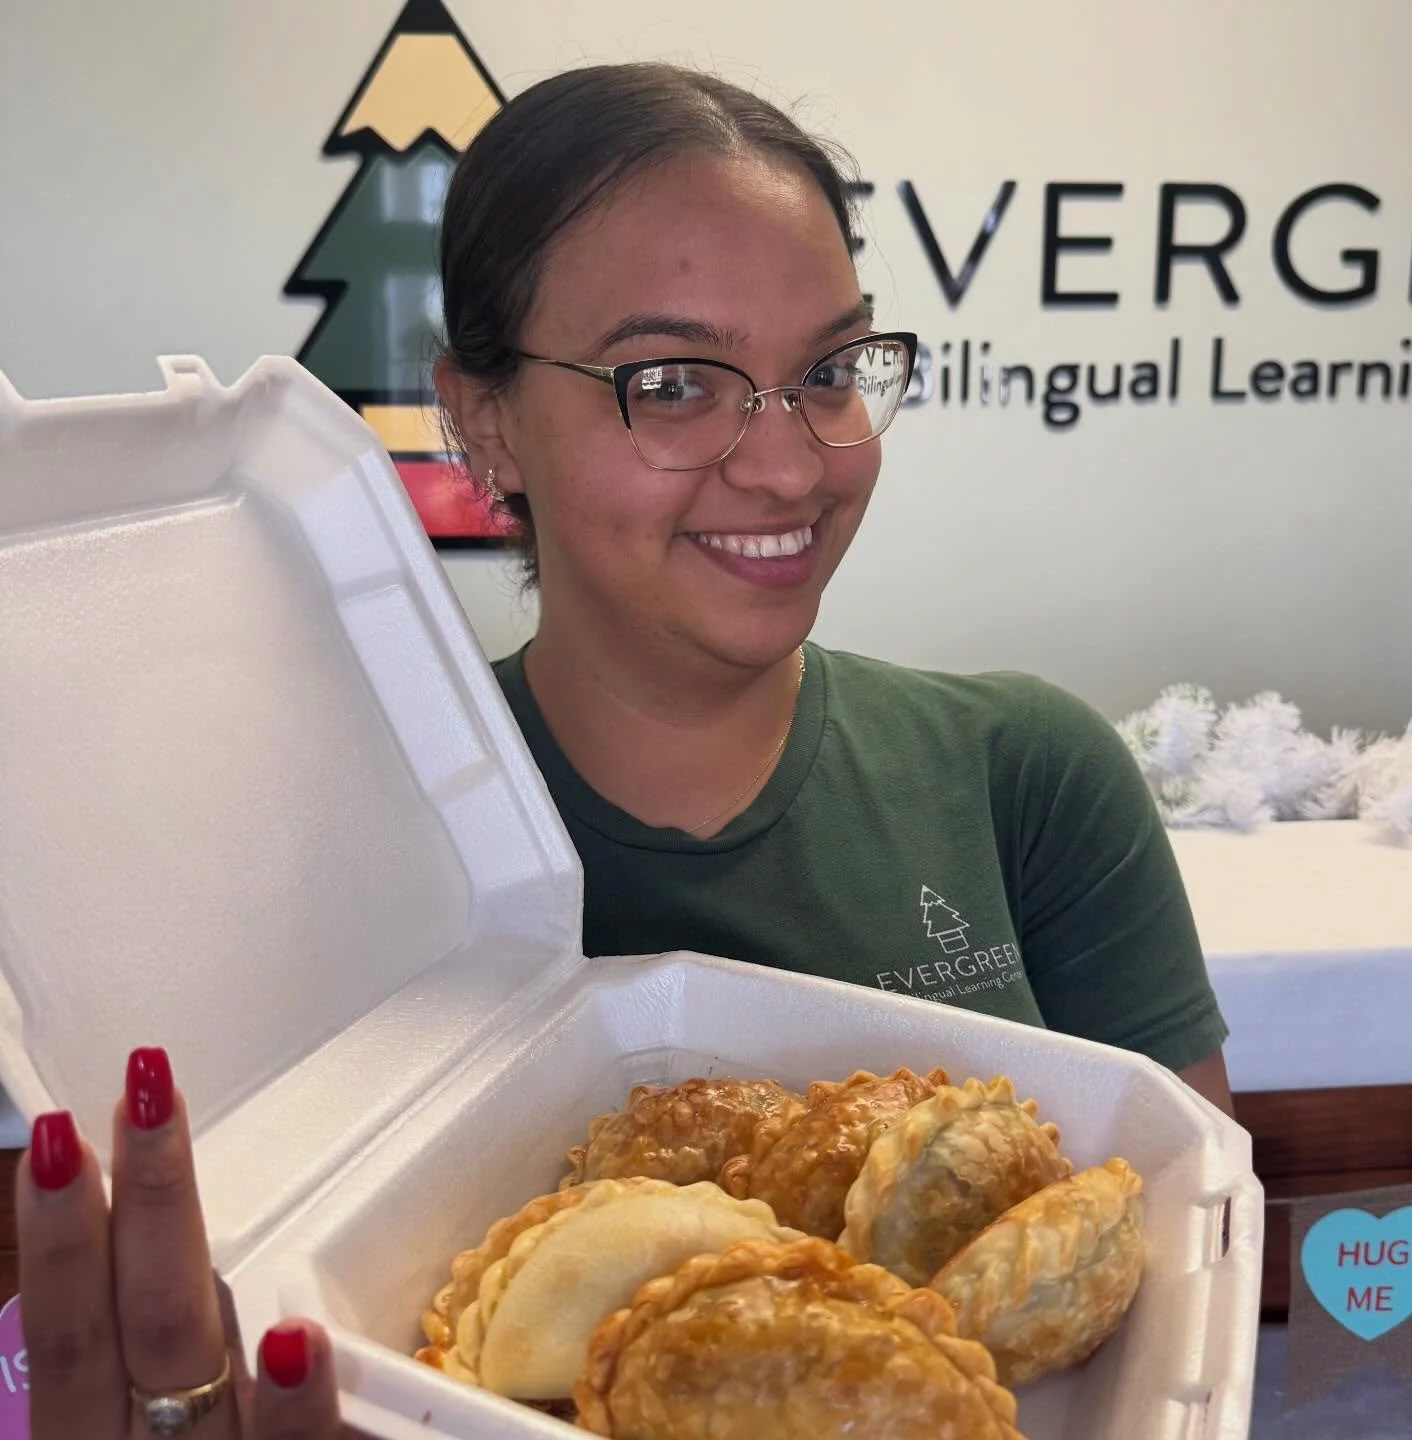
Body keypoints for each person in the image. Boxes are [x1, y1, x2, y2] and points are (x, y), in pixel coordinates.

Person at [16, 61, 1233, 1437]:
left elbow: (1182, 1252)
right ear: (483, 420)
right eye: (671, 383)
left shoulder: (1033, 778)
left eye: (829, 370)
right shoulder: (351, 847)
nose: (790, 466)